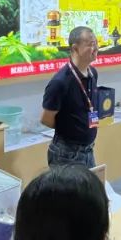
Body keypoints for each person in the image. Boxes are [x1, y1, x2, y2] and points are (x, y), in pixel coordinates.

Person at [41, 26, 100, 167]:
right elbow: (46, 119)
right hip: (66, 153)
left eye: (96, 43)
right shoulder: (60, 82)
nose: (96, 48)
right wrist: (71, 129)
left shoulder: (93, 73)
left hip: (88, 150)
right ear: (75, 48)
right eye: (91, 44)